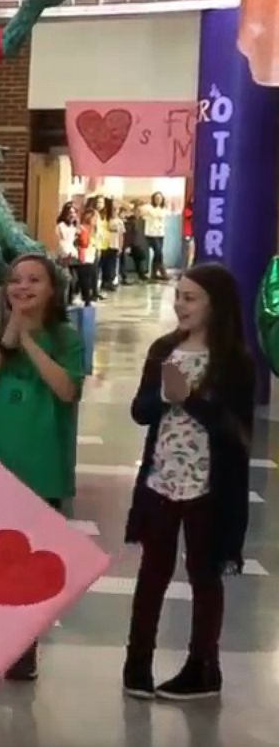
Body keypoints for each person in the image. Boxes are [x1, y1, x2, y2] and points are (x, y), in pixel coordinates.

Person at [123, 263, 253, 701]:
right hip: (161, 482)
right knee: (152, 572)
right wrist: (162, 398)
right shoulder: (163, 349)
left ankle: (203, 666)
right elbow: (140, 411)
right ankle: (136, 663)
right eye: (178, 295)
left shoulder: (233, 361)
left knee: (204, 574)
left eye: (191, 297)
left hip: (209, 489)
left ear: (215, 305)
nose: (181, 305)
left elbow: (237, 433)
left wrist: (191, 400)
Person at [0, 253, 85, 681]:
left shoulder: (66, 337)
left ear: (52, 290)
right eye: (16, 280)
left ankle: (23, 649)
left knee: (29, 567)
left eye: (34, 280)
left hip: (43, 467)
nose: (23, 287)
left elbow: (67, 390)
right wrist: (6, 341)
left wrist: (29, 341)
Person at [144, 192, 171, 279]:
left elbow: (167, 213)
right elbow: (155, 214)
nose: (158, 200)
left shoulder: (163, 209)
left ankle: (154, 273)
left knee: (157, 253)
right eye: (156, 198)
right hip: (151, 234)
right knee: (158, 252)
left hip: (160, 234)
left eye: (160, 198)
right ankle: (162, 271)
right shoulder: (149, 208)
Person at [99, 198, 122, 291]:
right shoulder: (105, 220)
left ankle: (110, 281)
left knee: (112, 264)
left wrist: (120, 247)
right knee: (104, 264)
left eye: (116, 209)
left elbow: (121, 235)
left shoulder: (119, 222)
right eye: (113, 209)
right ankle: (104, 281)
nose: (114, 211)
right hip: (104, 244)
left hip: (114, 245)